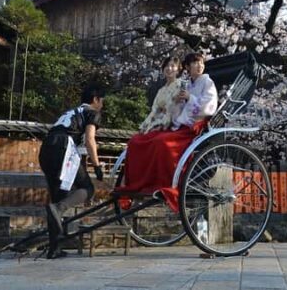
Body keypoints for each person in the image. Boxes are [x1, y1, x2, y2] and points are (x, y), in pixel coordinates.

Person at [120, 52, 218, 211]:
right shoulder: (187, 84)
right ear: (187, 67)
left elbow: (209, 107)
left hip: (194, 126)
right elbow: (172, 110)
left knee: (162, 143)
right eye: (195, 63)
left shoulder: (207, 82)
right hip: (178, 124)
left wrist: (189, 99)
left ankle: (165, 184)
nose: (199, 66)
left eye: (201, 63)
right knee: (138, 141)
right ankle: (139, 184)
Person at [39, 85, 105, 259]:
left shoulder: (70, 112)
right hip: (63, 147)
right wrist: (97, 166)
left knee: (56, 197)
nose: (102, 105)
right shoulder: (92, 112)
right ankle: (59, 208)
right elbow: (90, 139)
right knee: (87, 188)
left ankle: (55, 249)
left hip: (46, 149)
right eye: (101, 101)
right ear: (96, 100)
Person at [137, 55, 185, 133]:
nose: (169, 68)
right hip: (156, 122)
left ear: (178, 70)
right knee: (136, 139)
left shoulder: (181, 85)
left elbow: (175, 107)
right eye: (166, 66)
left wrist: (162, 123)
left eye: (173, 66)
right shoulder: (161, 90)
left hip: (171, 124)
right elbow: (154, 110)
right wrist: (145, 126)